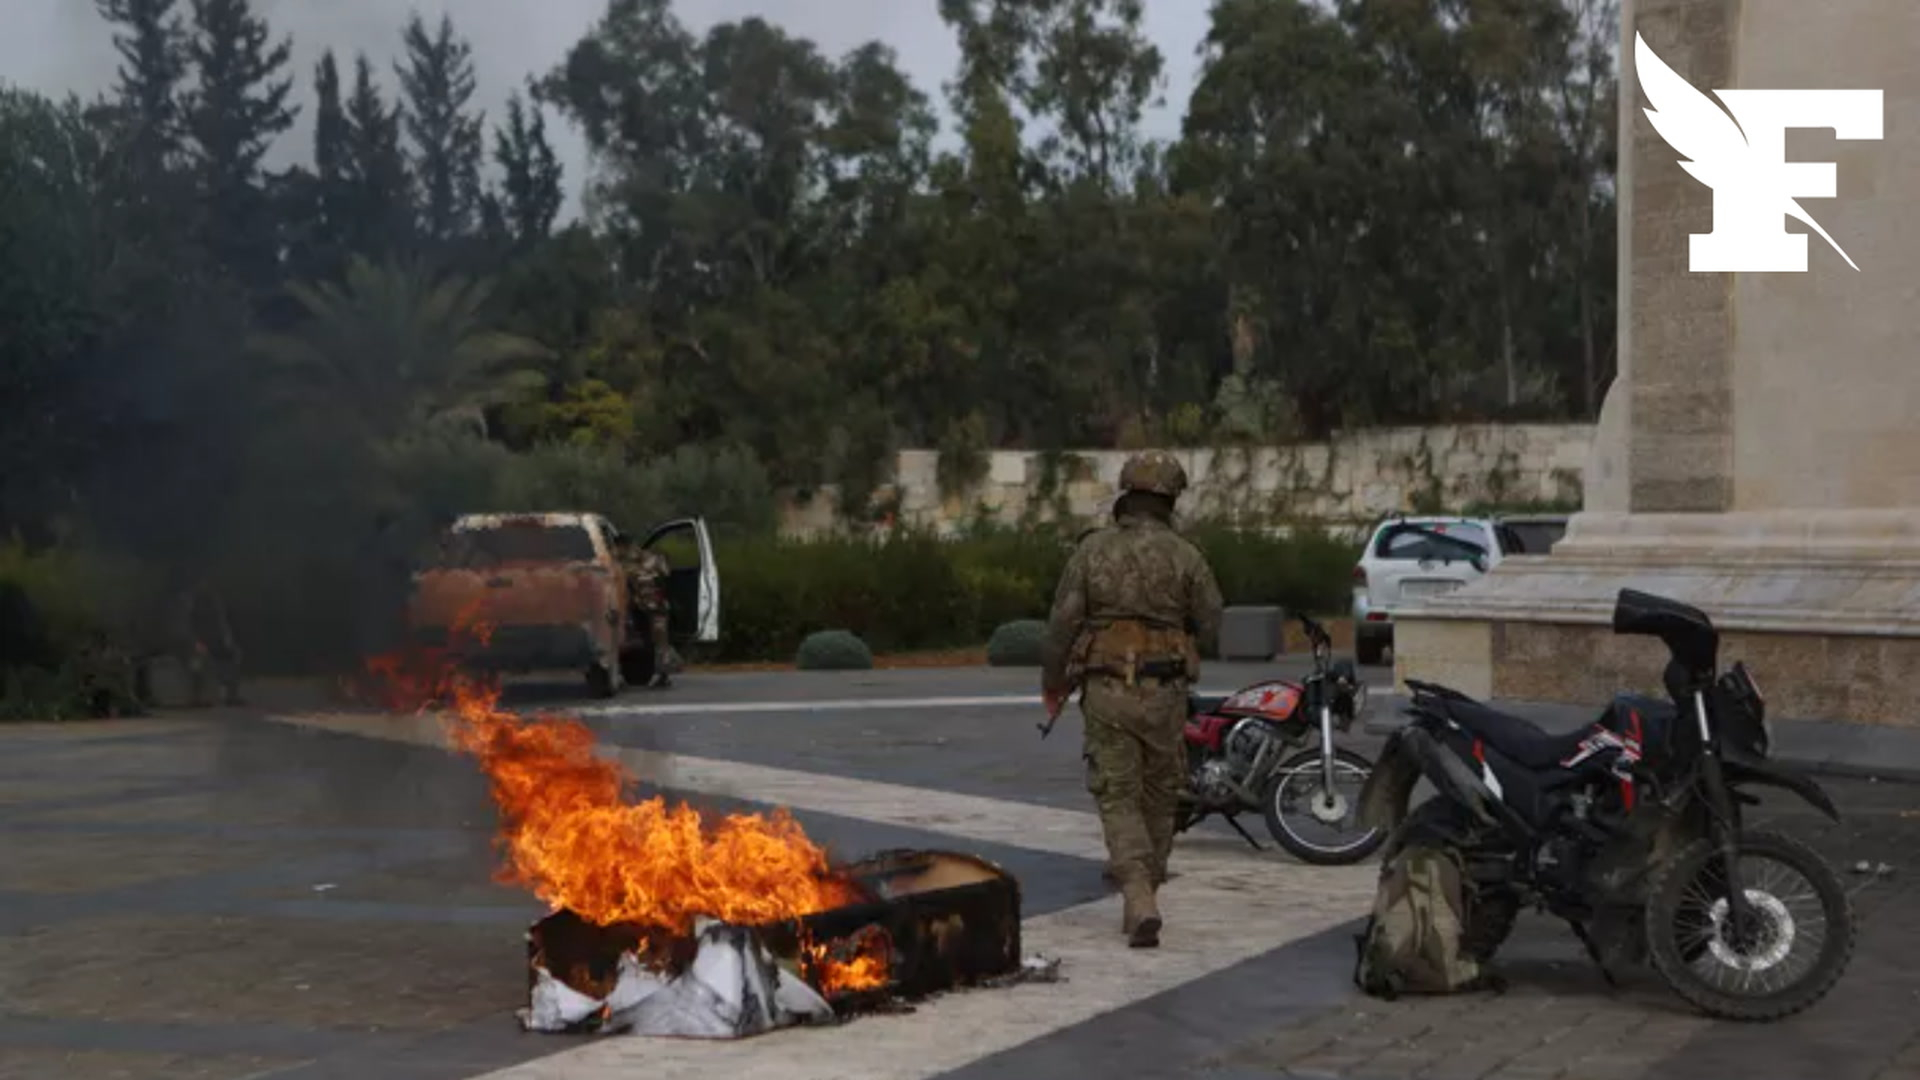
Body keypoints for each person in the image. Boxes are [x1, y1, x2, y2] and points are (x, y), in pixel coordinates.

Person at [1040, 450, 1224, 948]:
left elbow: (1062, 623)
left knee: (1117, 794)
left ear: (1126, 495)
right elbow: (1212, 622)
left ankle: (1138, 893)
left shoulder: (1092, 551)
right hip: (1165, 693)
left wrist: (1052, 681)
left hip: (1107, 691)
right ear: (1169, 500)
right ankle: (1151, 881)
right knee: (1162, 792)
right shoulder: (1187, 556)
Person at [613, 535, 682, 687]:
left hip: (649, 606)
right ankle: (662, 675)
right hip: (648, 606)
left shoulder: (623, 562)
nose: (617, 551)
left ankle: (663, 675)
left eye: (618, 548)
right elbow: (667, 572)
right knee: (657, 641)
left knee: (657, 641)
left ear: (623, 546)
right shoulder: (651, 557)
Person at [172, 575, 243, 707]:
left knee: (233, 657)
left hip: (215, 639)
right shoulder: (190, 600)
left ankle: (231, 694)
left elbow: (222, 622)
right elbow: (185, 624)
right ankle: (196, 697)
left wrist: (227, 638)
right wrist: (195, 642)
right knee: (197, 663)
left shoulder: (214, 600)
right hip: (197, 641)